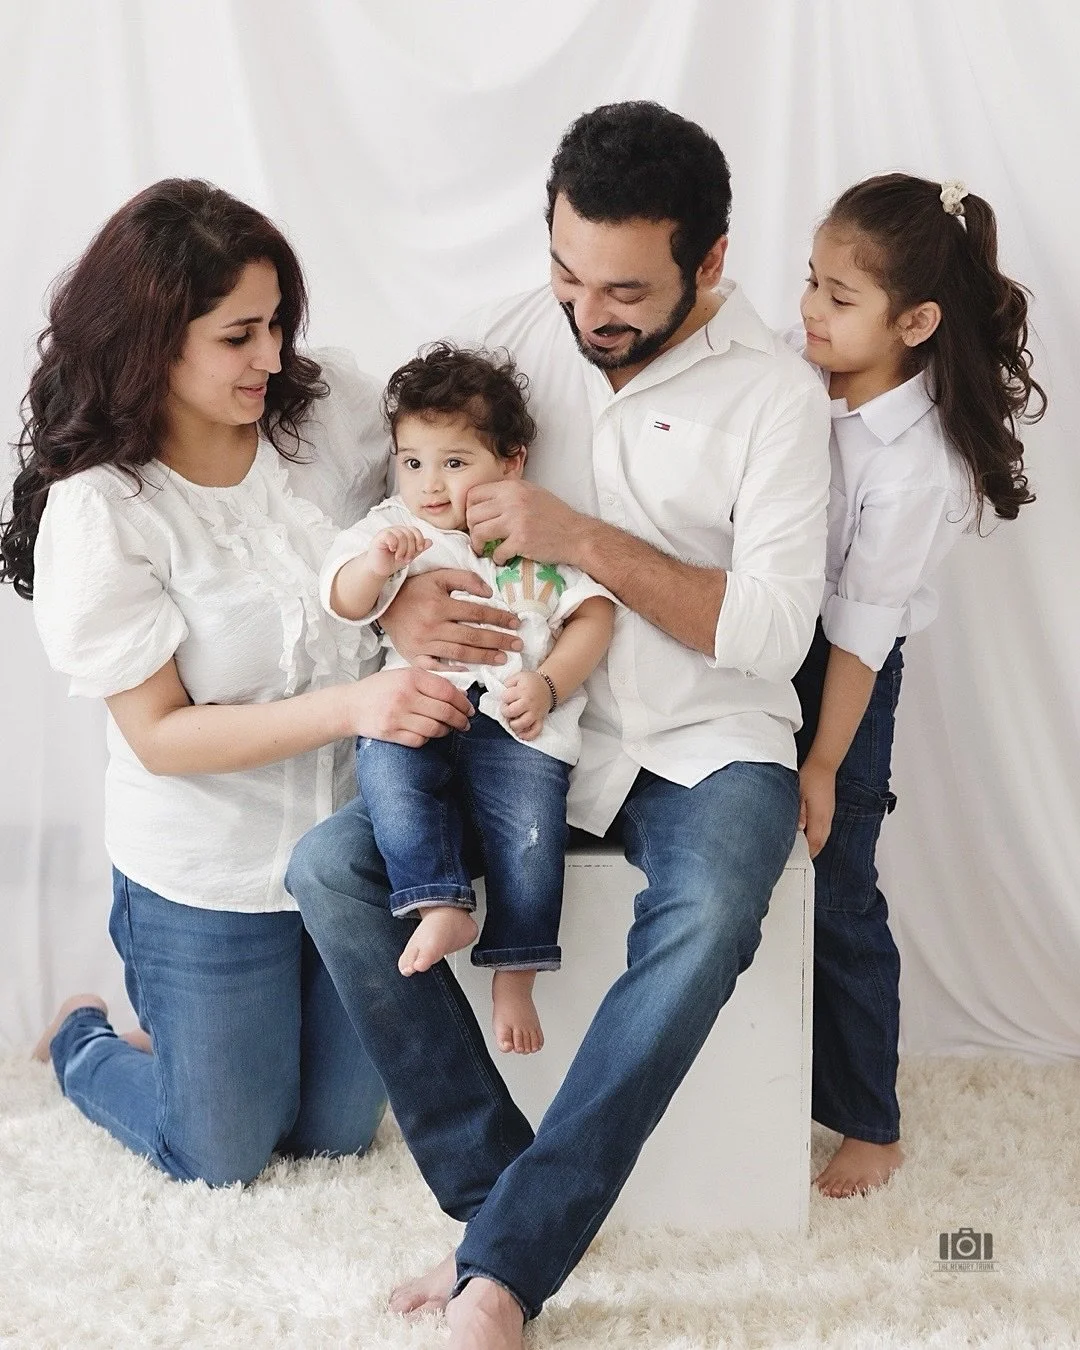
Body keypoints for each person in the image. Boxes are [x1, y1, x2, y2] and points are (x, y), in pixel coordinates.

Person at [286, 101, 831, 1348]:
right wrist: (405, 602)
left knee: (709, 921)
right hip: (523, 738)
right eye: (567, 272)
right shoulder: (520, 340)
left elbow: (770, 635)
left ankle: (505, 1272)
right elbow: (408, 496)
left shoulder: (776, 403)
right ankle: (500, 1217)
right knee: (328, 868)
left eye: (627, 288)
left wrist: (579, 537)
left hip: (707, 740)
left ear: (713, 258)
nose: (589, 313)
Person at [0, 178, 478, 1186]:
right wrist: (357, 704)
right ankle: (86, 1040)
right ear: (150, 340)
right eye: (238, 336)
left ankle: (210, 1055)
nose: (271, 356)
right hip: (206, 871)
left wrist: (402, 595)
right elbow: (163, 735)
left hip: (349, 851)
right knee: (223, 1154)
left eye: (276, 324)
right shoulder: (106, 512)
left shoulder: (327, 411)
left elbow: (416, 515)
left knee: (337, 1135)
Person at [790, 173, 1044, 1198]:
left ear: (916, 321)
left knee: (840, 885)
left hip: (847, 677)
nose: (809, 308)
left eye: (838, 297)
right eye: (809, 281)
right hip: (765, 638)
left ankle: (868, 1122)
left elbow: (858, 634)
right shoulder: (796, 388)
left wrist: (822, 764)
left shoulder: (917, 466)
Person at [321, 342, 615, 1053]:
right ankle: (438, 901)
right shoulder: (397, 529)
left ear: (511, 461)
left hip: (517, 720)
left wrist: (549, 685)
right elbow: (339, 596)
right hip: (419, 704)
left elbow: (594, 614)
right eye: (413, 461)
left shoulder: (532, 538)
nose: (429, 484)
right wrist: (375, 567)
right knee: (390, 779)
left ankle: (516, 973)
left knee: (530, 831)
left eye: (454, 463)